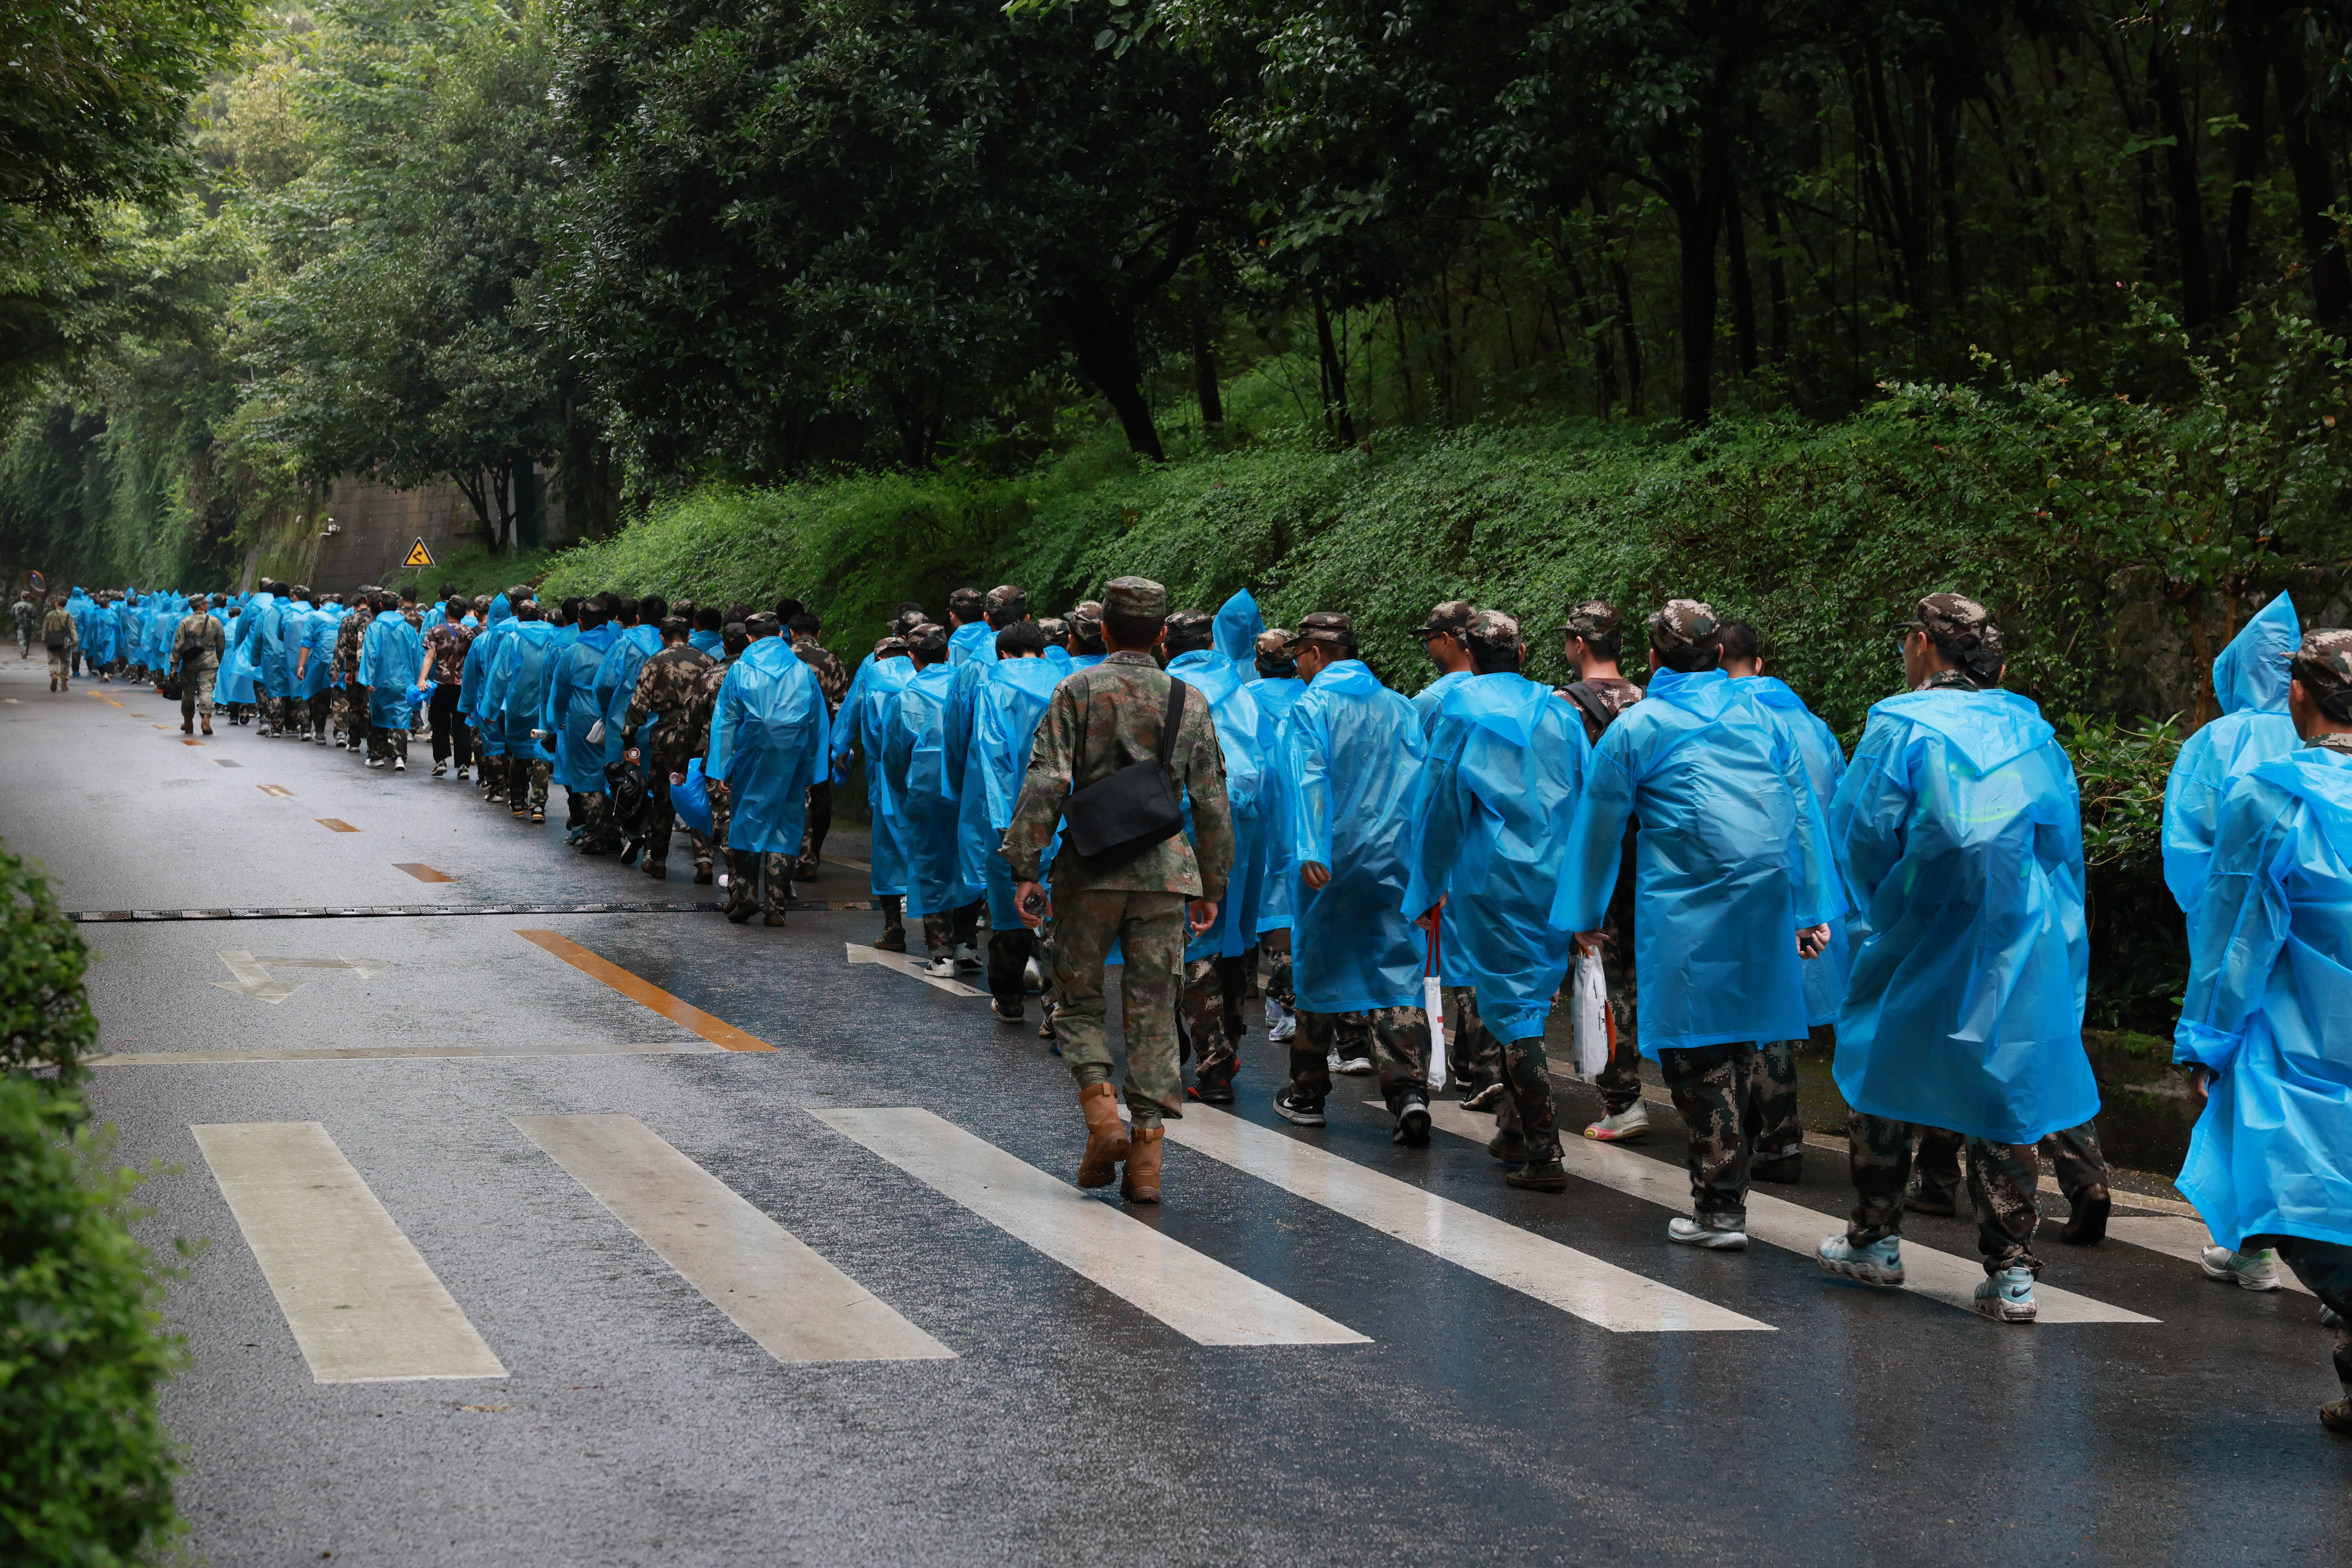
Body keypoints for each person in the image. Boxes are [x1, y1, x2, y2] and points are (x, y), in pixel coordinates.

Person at [1813, 593, 2098, 1323]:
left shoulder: (1898, 725)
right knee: (2006, 1090)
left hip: (1922, 920)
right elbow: (2061, 848)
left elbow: (1865, 833)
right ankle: (2011, 1274)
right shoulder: (2033, 732)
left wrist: (1881, 911)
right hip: (2019, 931)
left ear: (1920, 644)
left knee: (1881, 1065)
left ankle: (1875, 1239)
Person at [1552, 600, 1834, 1245]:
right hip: (1763, 904)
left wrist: (1584, 917)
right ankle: (1727, 1194)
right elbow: (1801, 815)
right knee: (1744, 1042)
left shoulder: (1639, 728)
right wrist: (1812, 911)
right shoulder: (1767, 721)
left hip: (1685, 910)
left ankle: (1720, 1206)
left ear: (1653, 659)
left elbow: (1599, 828)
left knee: (1693, 1053)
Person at [1005, 576, 1234, 1205]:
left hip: (1089, 872)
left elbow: (1048, 780)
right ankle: (1148, 1164)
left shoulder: (1076, 690)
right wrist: (1212, 884)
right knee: (1156, 1008)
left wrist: (1026, 864)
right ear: (1162, 635)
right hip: (1165, 877)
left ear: (1102, 629)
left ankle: (1103, 1117)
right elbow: (1213, 800)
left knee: (1075, 998)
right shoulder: (1189, 700)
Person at [2176, 628, 2352, 1428]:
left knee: (2300, 1210)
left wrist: (2205, 1042)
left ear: (2299, 695)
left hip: (2301, 1043)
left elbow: (2236, 936)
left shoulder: (2273, 794)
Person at [1410, 610, 1590, 1178]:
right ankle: (1515, 1130)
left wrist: (1426, 886)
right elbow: (1591, 803)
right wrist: (1590, 895)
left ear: (1468, 649)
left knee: (1512, 1011)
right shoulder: (1561, 712)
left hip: (1492, 880)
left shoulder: (1459, 714)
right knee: (1531, 1003)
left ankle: (1543, 1146)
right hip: (1557, 878)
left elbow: (1440, 807)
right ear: (1526, 651)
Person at [1270, 610, 1436, 1144]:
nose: (1298, 666)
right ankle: (1409, 1092)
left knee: (1320, 966)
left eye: (1300, 656)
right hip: (1396, 859)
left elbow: (1307, 776)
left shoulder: (1311, 707)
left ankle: (1308, 1093)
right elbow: (1424, 787)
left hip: (1333, 861)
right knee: (1398, 970)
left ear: (1316, 654)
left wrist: (1312, 848)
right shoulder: (1401, 707)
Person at [1719, 617, 1849, 1184]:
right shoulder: (1814, 725)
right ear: (1761, 663)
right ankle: (1775, 1135)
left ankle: (1773, 1136)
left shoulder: (1725, 722)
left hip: (1756, 881)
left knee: (1756, 1012)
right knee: (1782, 1009)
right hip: (1819, 886)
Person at [1553, 599, 1652, 1142]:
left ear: (1580, 645)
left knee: (1603, 972)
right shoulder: (1652, 702)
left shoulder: (1563, 707)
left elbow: (1559, 795)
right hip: (1652, 858)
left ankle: (1623, 1098)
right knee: (1645, 972)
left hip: (1597, 858)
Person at [1164, 608, 1272, 1102]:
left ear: (1167, 641)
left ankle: (1215, 1062)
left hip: (1185, 824)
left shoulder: (1166, 689)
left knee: (1193, 941)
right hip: (1246, 826)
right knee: (1231, 937)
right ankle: (1228, 1039)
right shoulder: (1243, 689)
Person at [962, 619, 1069, 1022]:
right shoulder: (1070, 683)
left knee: (1010, 914)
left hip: (1014, 814)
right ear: (1042, 651)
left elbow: (994, 762)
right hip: (1064, 816)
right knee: (1058, 914)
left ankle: (1008, 997)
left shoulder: (994, 690)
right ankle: (1057, 1005)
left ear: (1001, 653)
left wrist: (1008, 827)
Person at [708, 610, 829, 926]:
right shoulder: (803, 671)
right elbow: (818, 724)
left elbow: (726, 721)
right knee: (786, 826)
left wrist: (721, 768)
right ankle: (776, 907)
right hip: (794, 756)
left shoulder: (740, 671)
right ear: (783, 634)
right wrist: (816, 771)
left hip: (752, 754)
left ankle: (746, 896)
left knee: (748, 820)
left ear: (750, 637)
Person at [884, 622, 984, 970]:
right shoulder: (969, 684)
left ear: (912, 657)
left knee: (931, 863)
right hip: (970, 785)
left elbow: (894, 758)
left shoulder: (905, 698)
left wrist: (902, 792)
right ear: (947, 652)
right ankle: (967, 943)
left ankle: (939, 951)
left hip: (925, 788)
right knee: (970, 859)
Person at [834, 633, 918, 943]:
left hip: (884, 769)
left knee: (885, 846)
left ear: (879, 656)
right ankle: (947, 939)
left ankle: (893, 926)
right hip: (926, 770)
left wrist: (840, 748)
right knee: (931, 844)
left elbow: (851, 712)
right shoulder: (926, 673)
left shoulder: (871, 674)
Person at [1247, 627, 1307, 1046]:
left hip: (1263, 815)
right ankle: (1283, 998)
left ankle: (1289, 1001)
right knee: (1300, 906)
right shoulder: (1314, 695)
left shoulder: (1245, 699)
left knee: (1272, 910)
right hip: (1310, 813)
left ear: (1257, 662)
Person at [622, 617, 715, 879]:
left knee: (663, 800)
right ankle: (705, 861)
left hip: (666, 742)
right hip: (700, 740)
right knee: (699, 799)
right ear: (688, 635)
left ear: (663, 637)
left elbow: (639, 703)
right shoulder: (708, 662)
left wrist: (629, 738)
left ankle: (659, 860)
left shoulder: (656, 661)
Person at [547, 597, 619, 840]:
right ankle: (614, 832)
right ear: (608, 622)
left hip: (582, 719)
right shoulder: (621, 648)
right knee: (615, 772)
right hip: (616, 717)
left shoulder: (572, 654)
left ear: (580, 623)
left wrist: (557, 723)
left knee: (588, 777)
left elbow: (559, 694)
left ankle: (593, 834)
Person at [789, 610, 849, 879]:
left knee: (789, 794)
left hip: (786, 738)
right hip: (820, 740)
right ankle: (812, 856)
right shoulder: (831, 660)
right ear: (818, 633)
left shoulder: (784, 657)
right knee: (820, 797)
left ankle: (787, 854)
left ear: (791, 633)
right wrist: (841, 743)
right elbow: (841, 705)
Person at [489, 598, 559, 820]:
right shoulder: (553, 637)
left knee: (519, 754)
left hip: (518, 706)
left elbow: (500, 676)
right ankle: (538, 805)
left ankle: (518, 801)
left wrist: (490, 710)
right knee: (542, 753)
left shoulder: (512, 639)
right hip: (545, 706)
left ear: (518, 616)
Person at [359, 589, 426, 771]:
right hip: (404, 681)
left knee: (379, 717)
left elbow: (370, 656)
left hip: (381, 681)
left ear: (380, 605)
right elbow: (416, 656)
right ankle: (400, 757)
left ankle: (377, 756)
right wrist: (418, 680)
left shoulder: (375, 628)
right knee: (401, 719)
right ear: (398, 606)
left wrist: (368, 680)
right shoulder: (409, 629)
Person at [423, 597, 475, 779]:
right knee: (462, 725)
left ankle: (441, 761)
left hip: (442, 683)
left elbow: (430, 656)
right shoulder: (471, 633)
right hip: (463, 685)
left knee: (439, 722)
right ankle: (463, 766)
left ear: (447, 612)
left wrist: (422, 678)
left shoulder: (436, 631)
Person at [171, 594, 225, 734]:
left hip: (190, 662)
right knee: (207, 690)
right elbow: (221, 643)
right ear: (201, 605)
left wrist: (174, 665)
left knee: (188, 692)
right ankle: (206, 721)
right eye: (206, 604)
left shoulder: (185, 623)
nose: (208, 606)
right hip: (209, 660)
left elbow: (178, 644)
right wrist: (217, 659)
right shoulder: (214, 621)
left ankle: (188, 723)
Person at [42, 595, 75, 691]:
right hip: (65, 641)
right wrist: (75, 642)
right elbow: (73, 630)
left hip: (52, 641)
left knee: (53, 660)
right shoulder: (69, 616)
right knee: (65, 662)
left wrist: (44, 640)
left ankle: (54, 675)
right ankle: (64, 684)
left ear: (57, 604)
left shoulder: (50, 615)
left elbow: (45, 629)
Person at [12, 592, 36, 659]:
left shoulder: (16, 605)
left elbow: (12, 615)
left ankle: (24, 652)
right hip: (28, 624)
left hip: (20, 624)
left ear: (21, 597)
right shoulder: (31, 606)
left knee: (21, 639)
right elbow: (35, 615)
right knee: (28, 639)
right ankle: (26, 651)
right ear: (28, 598)